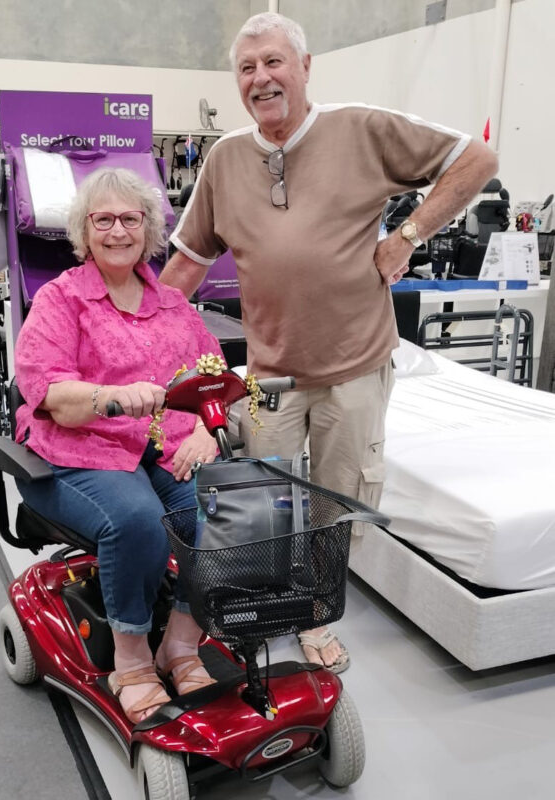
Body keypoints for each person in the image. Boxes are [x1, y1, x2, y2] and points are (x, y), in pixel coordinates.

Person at [159, 12, 499, 673]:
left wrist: (408, 236)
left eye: (274, 62)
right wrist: (127, 327)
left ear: (305, 67)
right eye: (247, 68)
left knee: (336, 499)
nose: (261, 78)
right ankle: (263, 599)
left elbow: (477, 158)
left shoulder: (362, 130)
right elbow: (186, 264)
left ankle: (313, 613)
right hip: (266, 374)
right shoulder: (226, 159)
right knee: (263, 495)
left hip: (356, 369)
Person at [13, 167, 222, 723]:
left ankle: (179, 642)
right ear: (84, 230)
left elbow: (214, 378)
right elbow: (50, 393)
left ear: (149, 228)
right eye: (102, 219)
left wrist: (204, 429)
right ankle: (130, 661)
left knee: (220, 512)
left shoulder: (174, 304)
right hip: (77, 452)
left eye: (130, 219)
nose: (117, 231)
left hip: (163, 447)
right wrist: (112, 396)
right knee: (138, 519)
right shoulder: (60, 300)